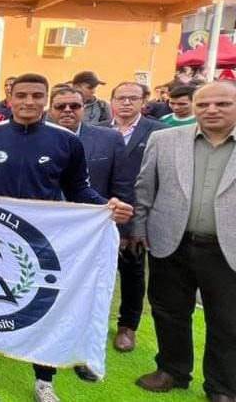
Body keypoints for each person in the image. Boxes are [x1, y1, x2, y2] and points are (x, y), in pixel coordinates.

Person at [0, 73, 134, 402]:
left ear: (46, 101)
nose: (29, 102)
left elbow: (78, 189)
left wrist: (105, 206)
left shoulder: (66, 141)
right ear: (10, 99)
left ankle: (44, 378)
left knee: (44, 304)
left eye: (37, 96)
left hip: (44, 239)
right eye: (22, 95)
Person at [131, 82, 236, 402]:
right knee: (168, 311)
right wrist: (139, 228)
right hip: (170, 242)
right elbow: (145, 187)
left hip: (228, 249)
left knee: (227, 320)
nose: (211, 110)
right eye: (203, 104)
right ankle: (171, 370)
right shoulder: (164, 139)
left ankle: (222, 387)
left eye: (223, 104)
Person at [48, 86, 136, 381]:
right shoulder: (36, 136)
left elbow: (122, 186)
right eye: (60, 106)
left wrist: (120, 228)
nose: (67, 111)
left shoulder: (109, 139)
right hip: (48, 230)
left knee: (87, 292)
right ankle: (44, 342)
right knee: (49, 288)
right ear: (50, 109)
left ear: (84, 108)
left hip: (91, 234)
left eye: (74, 106)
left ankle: (82, 352)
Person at [103, 81, 169, 352]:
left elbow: (163, 180)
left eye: (133, 98)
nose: (126, 103)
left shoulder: (159, 133)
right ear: (112, 101)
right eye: (121, 98)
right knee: (96, 274)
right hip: (100, 216)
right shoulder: (98, 131)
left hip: (137, 215)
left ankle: (127, 326)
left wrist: (136, 224)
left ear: (144, 102)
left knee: (132, 273)